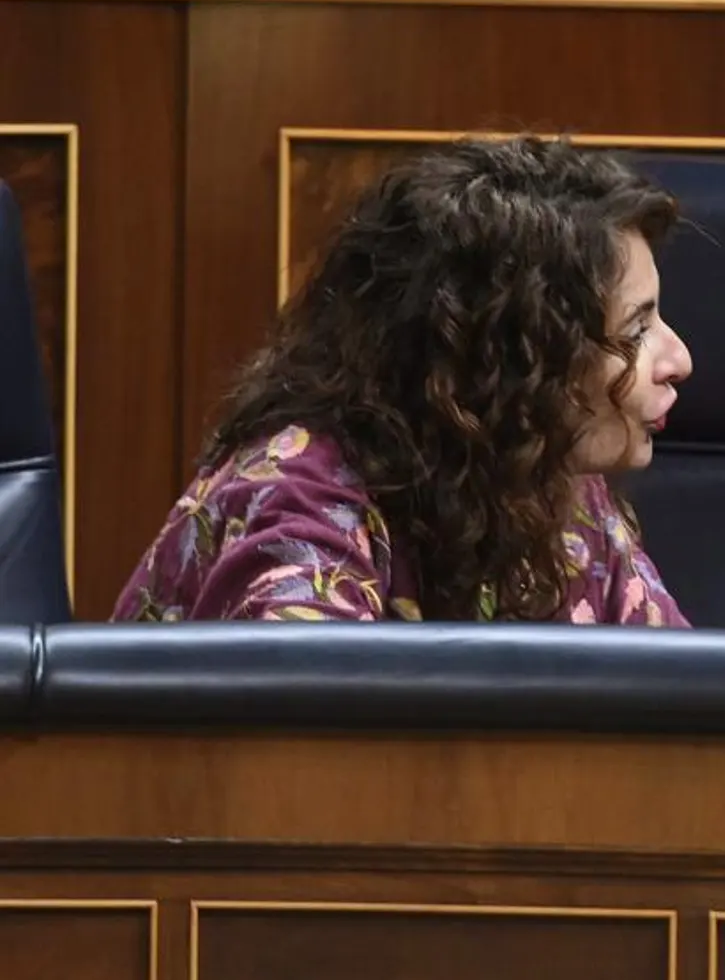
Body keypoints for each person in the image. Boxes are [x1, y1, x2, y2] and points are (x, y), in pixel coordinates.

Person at [114, 135, 693, 625]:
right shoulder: (300, 499)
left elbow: (690, 712)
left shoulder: (551, 483)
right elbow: (299, 741)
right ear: (511, 357)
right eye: (636, 329)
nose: (680, 359)